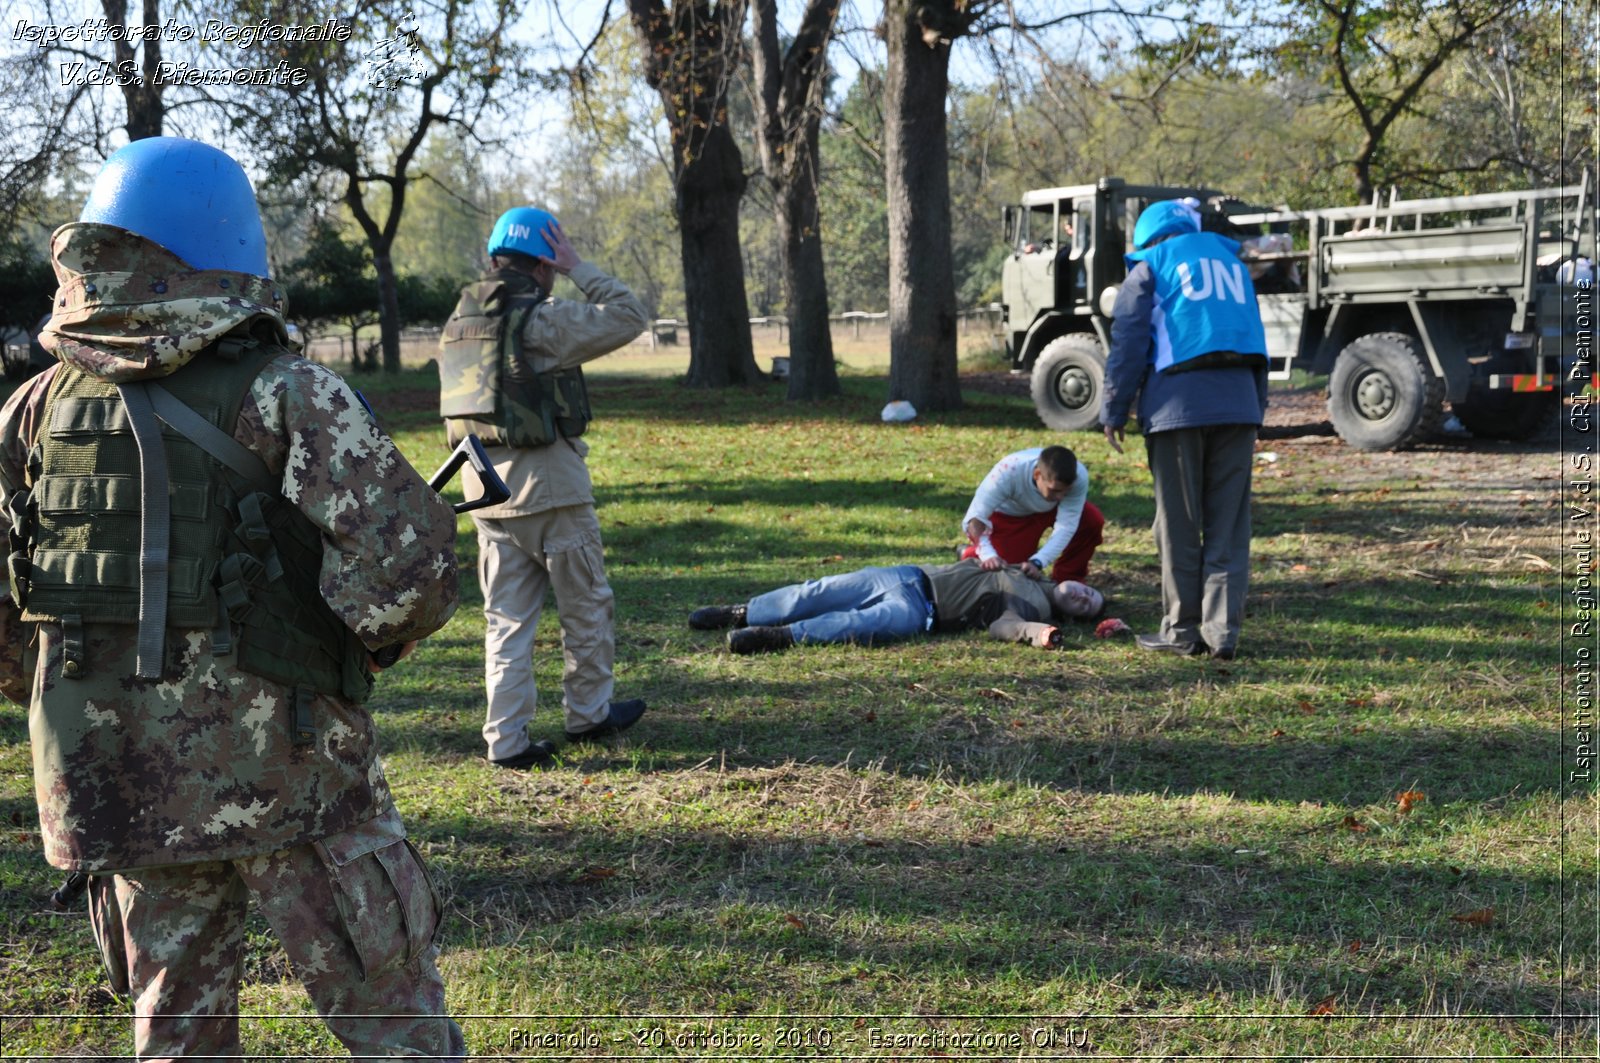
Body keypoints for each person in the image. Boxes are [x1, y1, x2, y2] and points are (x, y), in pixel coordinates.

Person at [0, 138, 464, 1058]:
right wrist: (354, 649)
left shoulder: (31, 410)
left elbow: (9, 620)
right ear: (235, 247)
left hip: (114, 777)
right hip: (295, 773)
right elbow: (411, 581)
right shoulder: (289, 392)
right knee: (394, 1023)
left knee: (176, 1033)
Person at [439, 206, 650, 769]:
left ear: (494, 258)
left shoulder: (458, 323)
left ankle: (505, 742)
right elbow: (629, 315)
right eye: (554, 266)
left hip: (484, 489)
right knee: (585, 609)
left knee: (505, 621)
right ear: (543, 265)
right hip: (551, 489)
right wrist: (582, 266)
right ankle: (589, 714)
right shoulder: (543, 319)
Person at [1099, 198, 1269, 661]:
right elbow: (1254, 336)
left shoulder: (1150, 266)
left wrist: (1114, 409)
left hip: (1176, 408)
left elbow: (1130, 338)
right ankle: (1223, 634)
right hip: (1238, 406)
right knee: (1229, 523)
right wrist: (1258, 407)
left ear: (1149, 238)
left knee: (1178, 523)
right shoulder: (1233, 268)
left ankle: (1181, 630)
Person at [688, 559, 1105, 654]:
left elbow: (1004, 627)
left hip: (921, 612)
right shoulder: (1030, 567)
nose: (1084, 596)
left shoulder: (1031, 608)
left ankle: (776, 636)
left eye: (1087, 606)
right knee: (816, 590)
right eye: (1089, 591)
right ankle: (744, 612)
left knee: (851, 624)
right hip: (906, 574)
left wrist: (1037, 635)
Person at [957, 444, 1104, 582]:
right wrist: (988, 555)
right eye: (1055, 490)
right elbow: (975, 519)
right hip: (1013, 516)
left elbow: (1067, 526)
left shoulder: (1078, 475)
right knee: (1008, 570)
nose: (1060, 497)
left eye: (1067, 491)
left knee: (1091, 521)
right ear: (1037, 474)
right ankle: (970, 554)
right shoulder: (1008, 471)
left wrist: (1038, 562)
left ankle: (1067, 579)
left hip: (1050, 511)